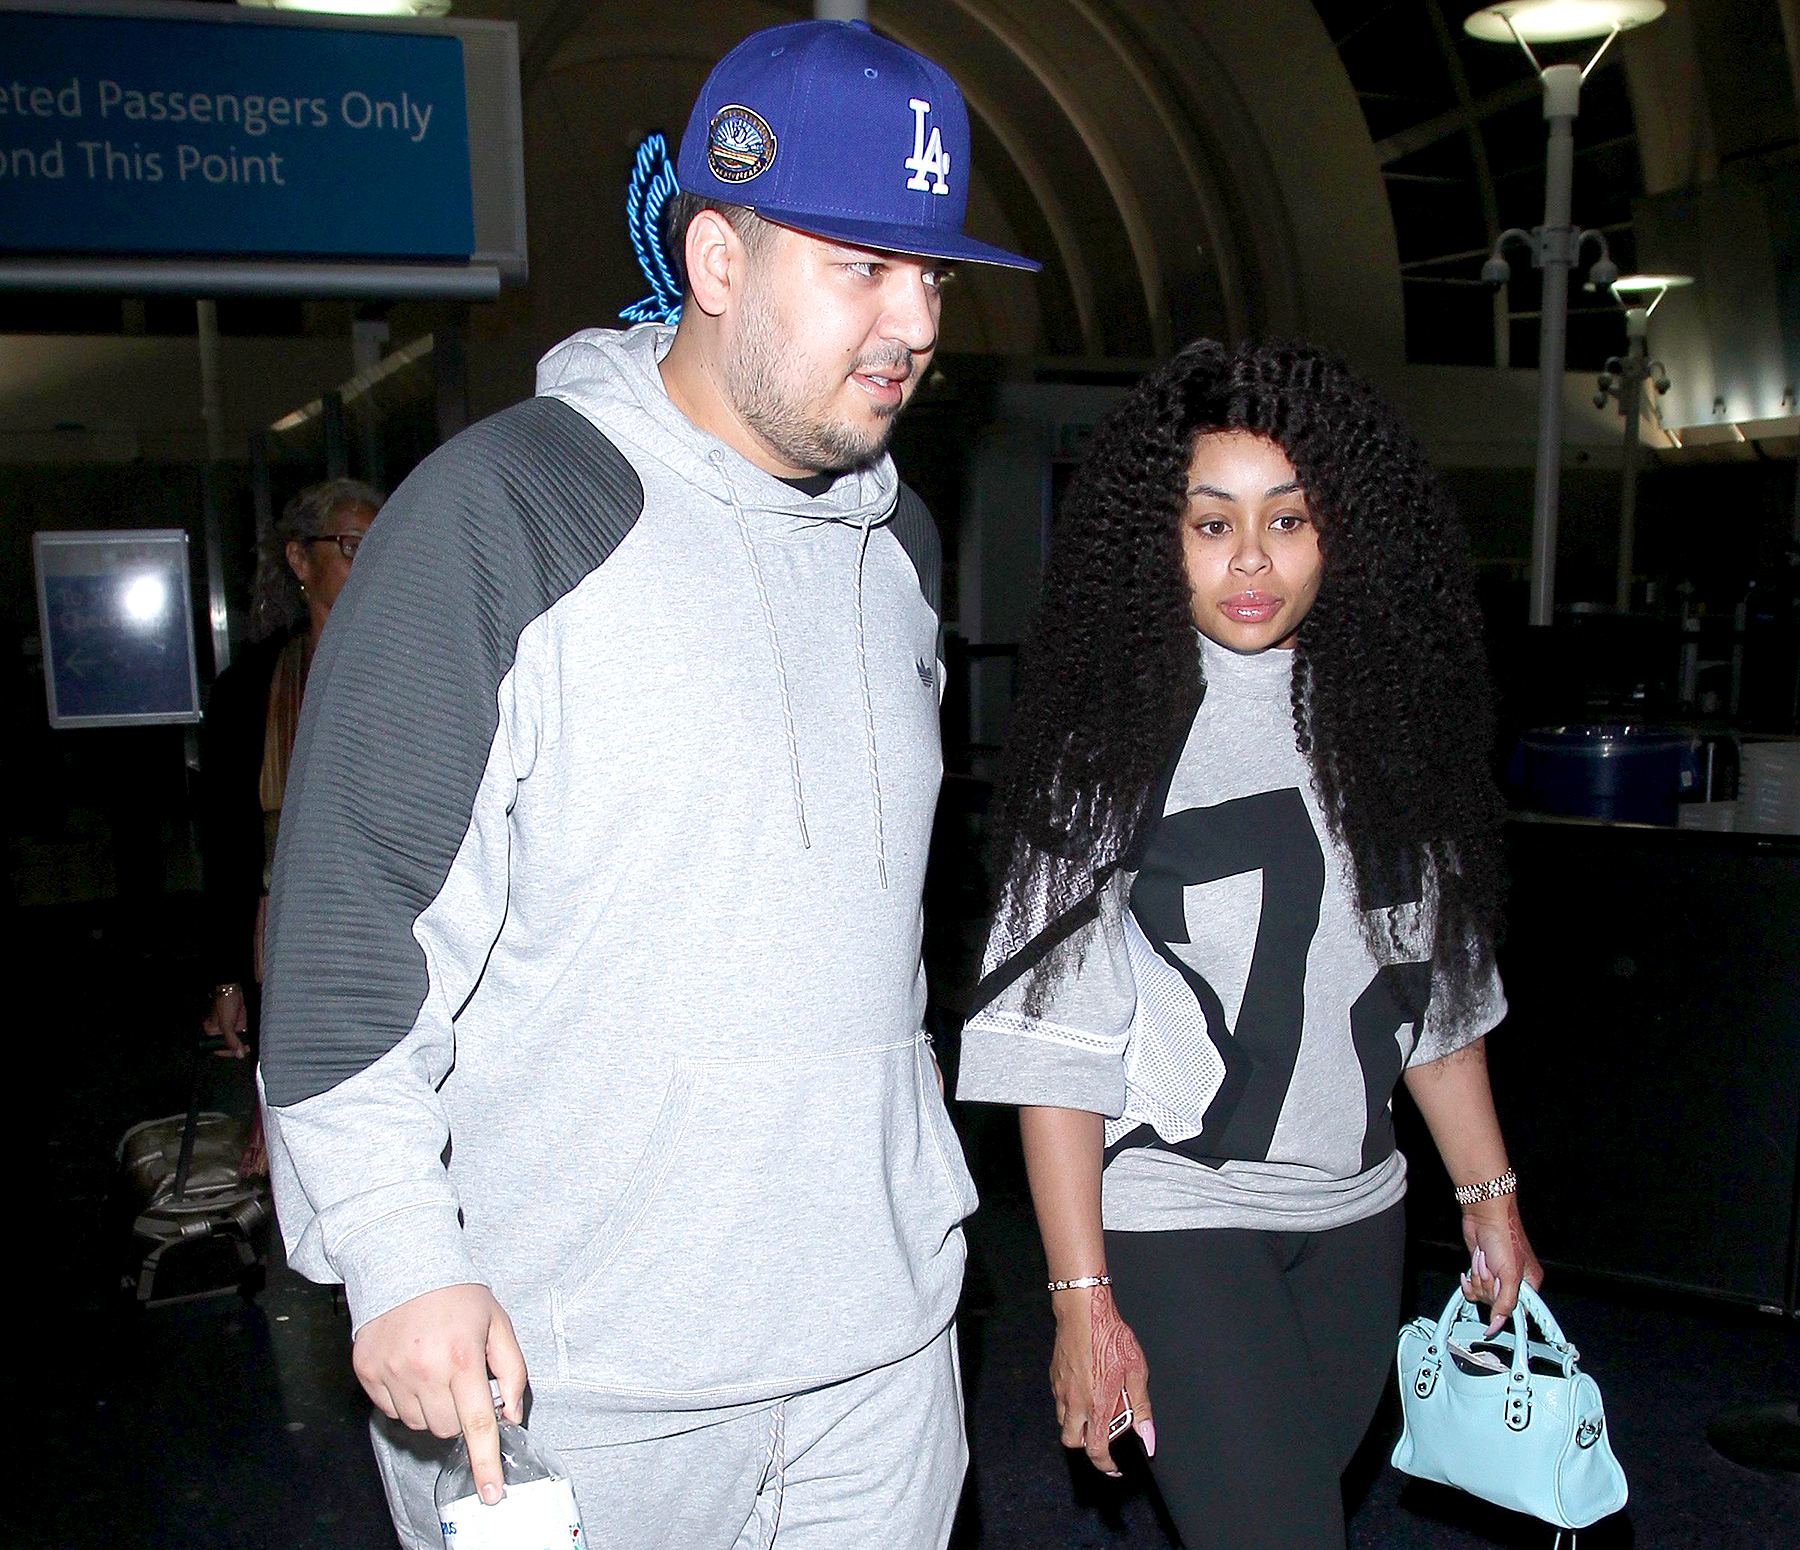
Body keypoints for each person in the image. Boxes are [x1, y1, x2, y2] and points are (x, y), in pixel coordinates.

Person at [256, 20, 1037, 1550]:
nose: (914, 321)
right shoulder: (503, 513)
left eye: (932, 275)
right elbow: (350, 930)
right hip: (574, 1375)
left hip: (878, 1347)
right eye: (863, 267)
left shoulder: (901, 548)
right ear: (719, 258)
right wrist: (399, 1250)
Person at [957, 340, 1542, 1550]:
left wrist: (1491, 1198)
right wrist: (1082, 1298)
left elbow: (1433, 1007)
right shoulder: (1111, 739)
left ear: (1343, 532)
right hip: (1178, 1206)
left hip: (1361, 1210)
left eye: (1288, 520)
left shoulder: (1389, 720)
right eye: (1211, 524)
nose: (1252, 561)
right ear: (1155, 540)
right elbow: (1052, 1052)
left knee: (1282, 1512)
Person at [197, 477, 382, 1174]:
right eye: (351, 545)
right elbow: (227, 839)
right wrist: (224, 979)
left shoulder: (411, 668)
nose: (371, 559)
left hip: (391, 917)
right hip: (289, 927)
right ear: (301, 561)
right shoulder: (252, 689)